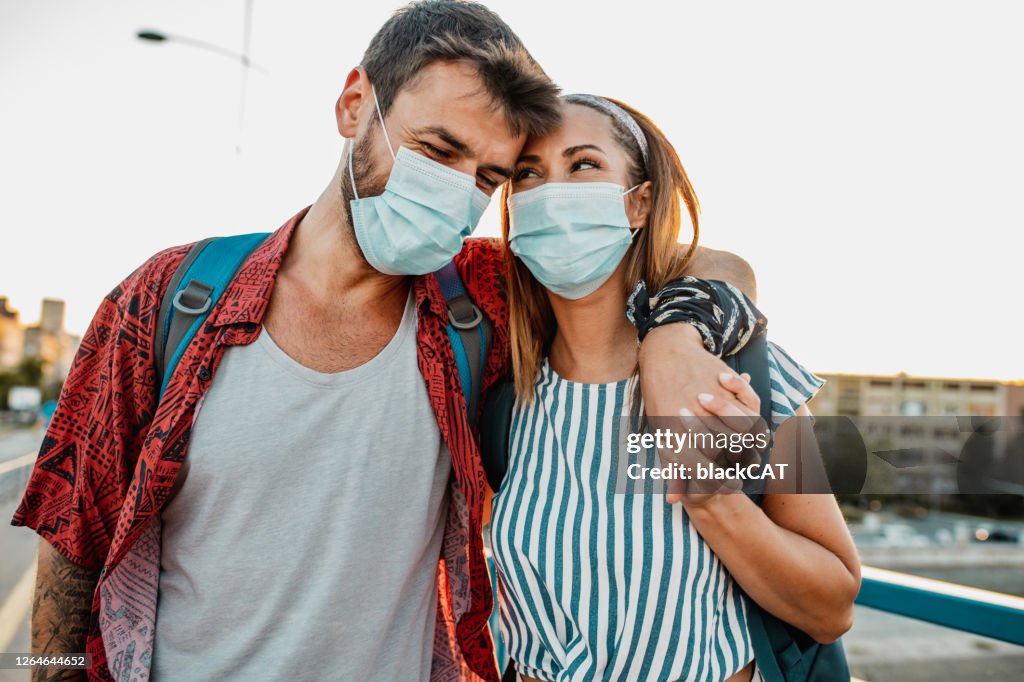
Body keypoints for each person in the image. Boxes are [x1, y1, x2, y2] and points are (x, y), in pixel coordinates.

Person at [14, 3, 763, 681]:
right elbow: (70, 545)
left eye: (489, 177)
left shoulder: (483, 302)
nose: (460, 193)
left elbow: (712, 264)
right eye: (438, 150)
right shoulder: (168, 300)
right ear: (353, 106)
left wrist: (675, 338)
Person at [488, 94, 862, 681]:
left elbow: (832, 605)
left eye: (583, 164)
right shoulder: (505, 403)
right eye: (528, 173)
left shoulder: (744, 378)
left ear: (638, 203)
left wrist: (711, 495)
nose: (551, 190)